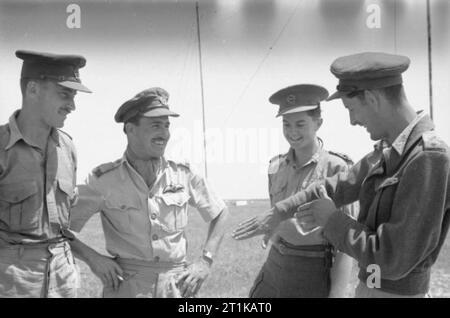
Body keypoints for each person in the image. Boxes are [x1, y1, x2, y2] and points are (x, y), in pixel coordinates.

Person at [232, 52, 450, 298]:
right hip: (372, 286)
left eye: (352, 109)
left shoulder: (428, 157)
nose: (353, 121)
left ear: (372, 98)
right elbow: (336, 186)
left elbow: (392, 259)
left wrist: (331, 219)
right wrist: (280, 211)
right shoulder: (391, 151)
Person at [69, 87, 229, 298]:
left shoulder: (183, 173)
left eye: (166, 125)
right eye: (155, 125)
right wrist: (94, 259)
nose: (164, 133)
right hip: (127, 287)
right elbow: (58, 229)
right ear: (130, 129)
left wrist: (205, 260)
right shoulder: (104, 180)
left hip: (176, 286)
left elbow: (220, 213)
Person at [234, 84, 356, 298]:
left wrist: (336, 295)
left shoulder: (336, 169)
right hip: (275, 264)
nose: (292, 132)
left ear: (318, 123)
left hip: (311, 268)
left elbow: (346, 243)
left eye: (300, 124)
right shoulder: (275, 167)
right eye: (286, 124)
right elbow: (276, 214)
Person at [0, 50, 92, 297]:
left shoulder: (68, 148)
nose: (72, 106)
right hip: (13, 281)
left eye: (74, 97)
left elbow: (64, 224)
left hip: (62, 277)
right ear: (32, 90)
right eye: (65, 94)